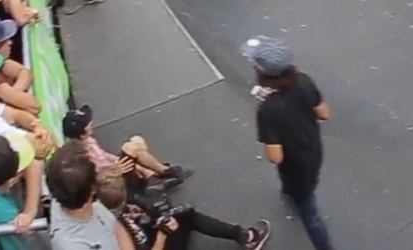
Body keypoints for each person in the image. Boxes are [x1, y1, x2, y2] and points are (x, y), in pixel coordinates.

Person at [242, 36, 335, 250]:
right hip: (313, 148)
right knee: (299, 186)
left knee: (309, 213)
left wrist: (262, 118)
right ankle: (290, 192)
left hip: (295, 166)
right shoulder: (304, 80)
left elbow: (275, 157)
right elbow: (324, 113)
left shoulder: (267, 109)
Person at [96, 166, 272, 250]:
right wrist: (162, 235)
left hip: (140, 235)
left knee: (180, 212)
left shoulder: (102, 214)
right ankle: (248, 237)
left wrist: (133, 214)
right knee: (187, 217)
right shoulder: (117, 229)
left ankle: (242, 235)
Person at [48, 141, 153, 250]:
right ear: (93, 189)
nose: (99, 171)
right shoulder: (72, 245)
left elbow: (115, 227)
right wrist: (162, 236)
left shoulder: (64, 188)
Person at [62, 104, 190, 192]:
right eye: (88, 123)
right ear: (82, 130)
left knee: (136, 140)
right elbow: (95, 176)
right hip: (115, 181)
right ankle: (164, 173)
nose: (91, 123)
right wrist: (114, 169)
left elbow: (106, 155)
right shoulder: (79, 154)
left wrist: (137, 166)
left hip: (120, 169)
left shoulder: (89, 140)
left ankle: (158, 173)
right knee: (130, 148)